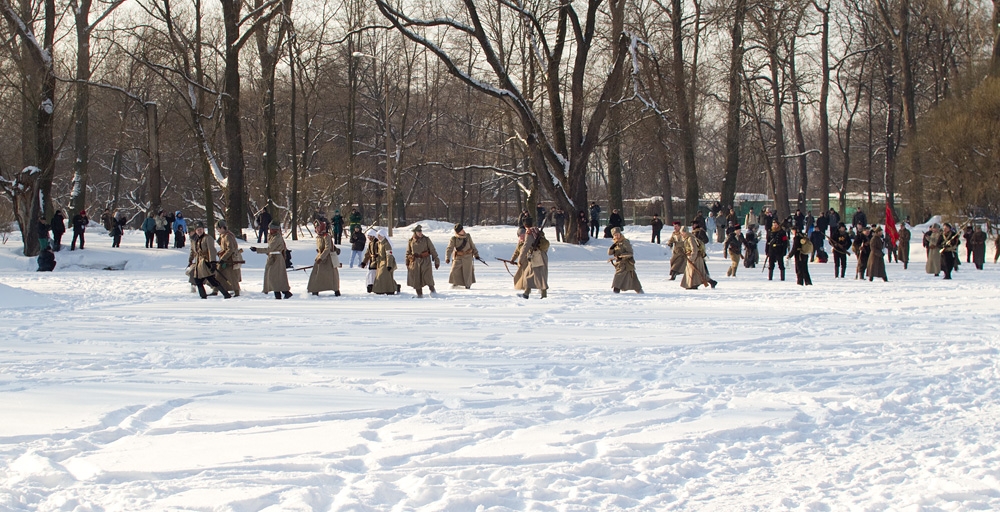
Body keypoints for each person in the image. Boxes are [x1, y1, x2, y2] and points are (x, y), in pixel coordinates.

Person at [250, 222, 292, 299]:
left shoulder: (277, 238)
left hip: (277, 259)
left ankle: (283, 293)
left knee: (275, 277)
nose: (270, 230)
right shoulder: (272, 236)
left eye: (271, 229)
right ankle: (281, 293)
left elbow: (270, 248)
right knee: (273, 277)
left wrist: (257, 249)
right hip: (272, 257)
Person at [190, 222, 232, 299]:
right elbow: (193, 251)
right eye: (198, 230)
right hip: (198, 262)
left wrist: (212, 262)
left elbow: (211, 250)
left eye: (201, 229)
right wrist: (190, 260)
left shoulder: (207, 238)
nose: (199, 231)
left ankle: (225, 294)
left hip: (205, 262)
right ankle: (203, 296)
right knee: (198, 279)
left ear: (203, 229)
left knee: (210, 279)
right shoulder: (195, 240)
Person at [513, 218, 549, 298]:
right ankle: (527, 293)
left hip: (536, 257)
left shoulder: (529, 233)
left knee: (531, 276)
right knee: (533, 275)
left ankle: (541, 295)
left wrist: (520, 259)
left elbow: (525, 247)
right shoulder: (537, 231)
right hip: (541, 255)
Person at [307, 222, 341, 296]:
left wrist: (321, 257)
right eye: (316, 227)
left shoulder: (326, 236)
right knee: (317, 275)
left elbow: (327, 248)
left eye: (318, 227)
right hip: (320, 257)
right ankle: (315, 289)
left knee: (331, 275)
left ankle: (336, 290)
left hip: (328, 259)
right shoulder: (318, 237)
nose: (316, 229)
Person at [405, 224, 440, 298]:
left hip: (425, 261)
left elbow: (432, 250)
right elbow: (408, 252)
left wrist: (436, 260)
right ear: (415, 232)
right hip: (415, 262)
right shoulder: (411, 241)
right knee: (416, 279)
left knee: (428, 277)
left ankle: (433, 292)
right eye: (418, 232)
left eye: (421, 231)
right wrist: (407, 262)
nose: (420, 233)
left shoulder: (426, 240)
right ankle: (419, 295)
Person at [681, 220, 716, 289]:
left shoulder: (690, 238)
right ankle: (692, 284)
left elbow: (694, 249)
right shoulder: (688, 237)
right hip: (694, 257)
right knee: (695, 272)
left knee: (697, 272)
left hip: (696, 258)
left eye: (682, 232)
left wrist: (692, 257)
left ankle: (694, 285)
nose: (681, 234)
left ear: (685, 232)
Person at [608, 227, 643, 293]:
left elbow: (630, 253)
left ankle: (616, 291)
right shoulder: (615, 244)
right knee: (632, 278)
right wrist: (611, 248)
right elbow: (610, 253)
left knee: (618, 277)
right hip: (619, 264)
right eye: (615, 235)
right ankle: (639, 291)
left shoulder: (625, 242)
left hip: (626, 264)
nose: (617, 236)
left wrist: (621, 257)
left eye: (618, 234)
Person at [446, 224, 480, 289]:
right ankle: (455, 283)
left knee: (467, 272)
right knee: (454, 271)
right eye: (461, 230)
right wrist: (447, 257)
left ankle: (467, 285)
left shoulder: (468, 236)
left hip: (468, 257)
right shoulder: (454, 239)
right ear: (457, 232)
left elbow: (472, 246)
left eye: (462, 229)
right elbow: (449, 248)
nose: (463, 231)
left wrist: (476, 255)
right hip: (459, 257)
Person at [215, 220, 243, 297]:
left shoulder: (228, 236)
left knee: (232, 276)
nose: (217, 230)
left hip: (230, 259)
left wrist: (223, 258)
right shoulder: (223, 236)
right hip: (226, 258)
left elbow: (230, 249)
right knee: (219, 274)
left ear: (222, 228)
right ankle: (215, 289)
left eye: (218, 228)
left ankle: (237, 291)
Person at [372, 229, 400, 295]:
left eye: (379, 235)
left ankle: (389, 289)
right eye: (378, 235)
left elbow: (389, 254)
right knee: (381, 276)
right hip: (380, 262)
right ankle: (381, 289)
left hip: (386, 262)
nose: (378, 237)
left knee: (383, 276)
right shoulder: (379, 243)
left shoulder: (386, 244)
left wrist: (389, 264)